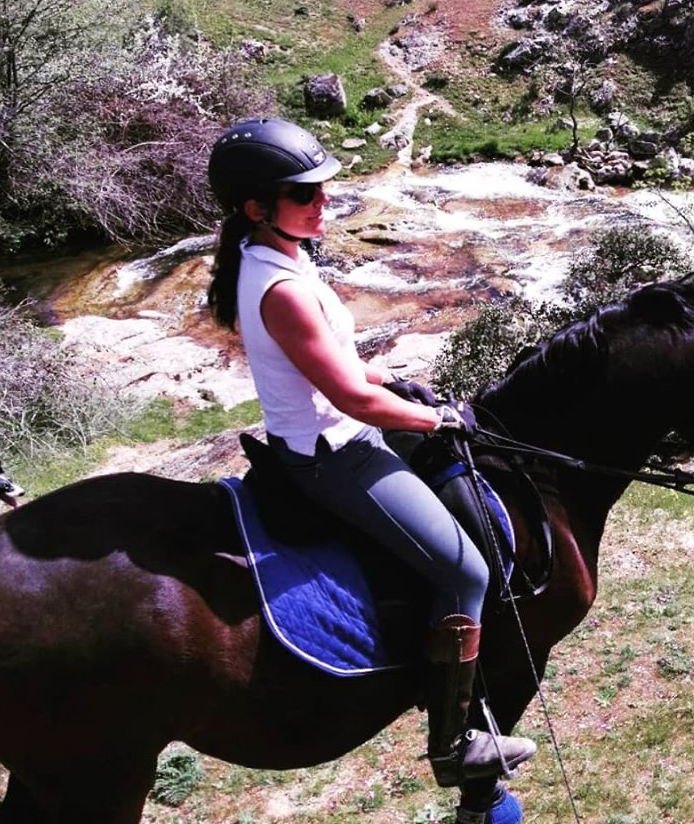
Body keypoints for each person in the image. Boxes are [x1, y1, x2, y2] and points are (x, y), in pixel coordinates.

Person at [206, 117, 536, 788]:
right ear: (257, 208)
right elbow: (350, 400)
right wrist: (434, 417)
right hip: (333, 455)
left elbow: (336, 366)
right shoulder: (282, 288)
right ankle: (453, 742)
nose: (324, 202)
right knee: (465, 573)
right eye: (306, 194)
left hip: (334, 431)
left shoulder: (275, 255)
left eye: (323, 189)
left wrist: (389, 376)